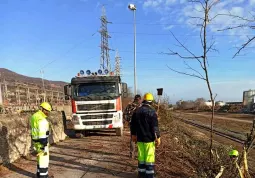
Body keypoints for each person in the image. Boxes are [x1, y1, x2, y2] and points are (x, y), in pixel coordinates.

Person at [131, 93, 161, 178]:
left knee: (141, 157)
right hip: (149, 139)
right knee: (149, 158)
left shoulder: (136, 111)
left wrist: (133, 135)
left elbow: (132, 125)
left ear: (143, 100)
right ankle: (149, 175)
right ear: (151, 102)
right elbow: (155, 127)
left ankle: (141, 174)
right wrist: (158, 137)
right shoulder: (152, 112)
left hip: (139, 139)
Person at [30, 102, 52, 178]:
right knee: (44, 160)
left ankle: (39, 175)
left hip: (35, 141)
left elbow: (34, 129)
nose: (48, 113)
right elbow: (42, 133)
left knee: (39, 158)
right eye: (47, 111)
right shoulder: (42, 120)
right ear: (43, 109)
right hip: (41, 142)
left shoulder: (34, 116)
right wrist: (44, 144)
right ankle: (44, 176)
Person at [124, 94, 142, 159]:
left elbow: (125, 114)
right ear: (139, 99)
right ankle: (140, 154)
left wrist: (128, 121)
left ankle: (132, 155)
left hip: (132, 124)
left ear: (134, 99)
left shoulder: (129, 105)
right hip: (140, 125)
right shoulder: (141, 106)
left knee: (132, 139)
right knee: (140, 139)